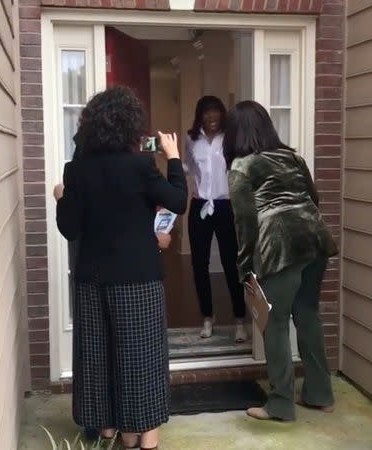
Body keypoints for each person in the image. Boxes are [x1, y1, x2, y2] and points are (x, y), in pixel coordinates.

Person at [53, 86, 187, 449]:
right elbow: (178, 200)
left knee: (99, 356)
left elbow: (70, 229)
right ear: (131, 126)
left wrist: (61, 198)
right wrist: (173, 158)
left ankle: (110, 427)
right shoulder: (141, 165)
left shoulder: (76, 170)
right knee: (141, 357)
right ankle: (144, 438)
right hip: (138, 278)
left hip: (92, 278)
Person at [223, 100, 337, 422]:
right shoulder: (293, 157)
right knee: (308, 314)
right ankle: (320, 394)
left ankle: (281, 403)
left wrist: (244, 269)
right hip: (316, 242)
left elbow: (244, 222)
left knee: (274, 321)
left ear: (235, 133)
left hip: (283, 248)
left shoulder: (242, 166)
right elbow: (314, 198)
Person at [184, 96, 246, 342]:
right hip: (199, 206)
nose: (211, 118)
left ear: (222, 114)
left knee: (232, 264)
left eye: (215, 113)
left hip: (225, 206)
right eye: (206, 113)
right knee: (199, 265)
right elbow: (188, 168)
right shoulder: (192, 139)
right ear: (200, 115)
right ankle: (207, 318)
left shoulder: (230, 139)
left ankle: (240, 319)